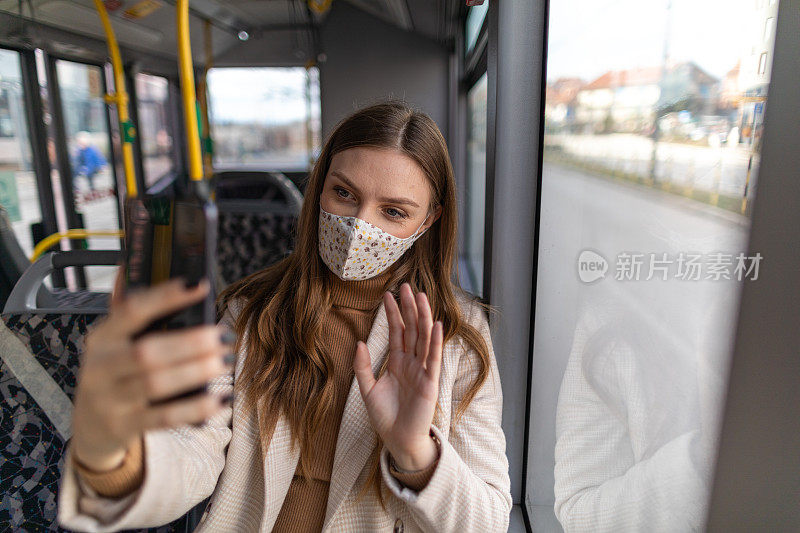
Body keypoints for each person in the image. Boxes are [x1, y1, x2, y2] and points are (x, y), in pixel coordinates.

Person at [57, 101, 512, 532]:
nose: (359, 225)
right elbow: (195, 447)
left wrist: (417, 455)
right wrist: (112, 456)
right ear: (319, 189)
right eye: (343, 194)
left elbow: (489, 520)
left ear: (429, 220)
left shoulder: (456, 335)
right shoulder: (253, 311)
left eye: (393, 212)